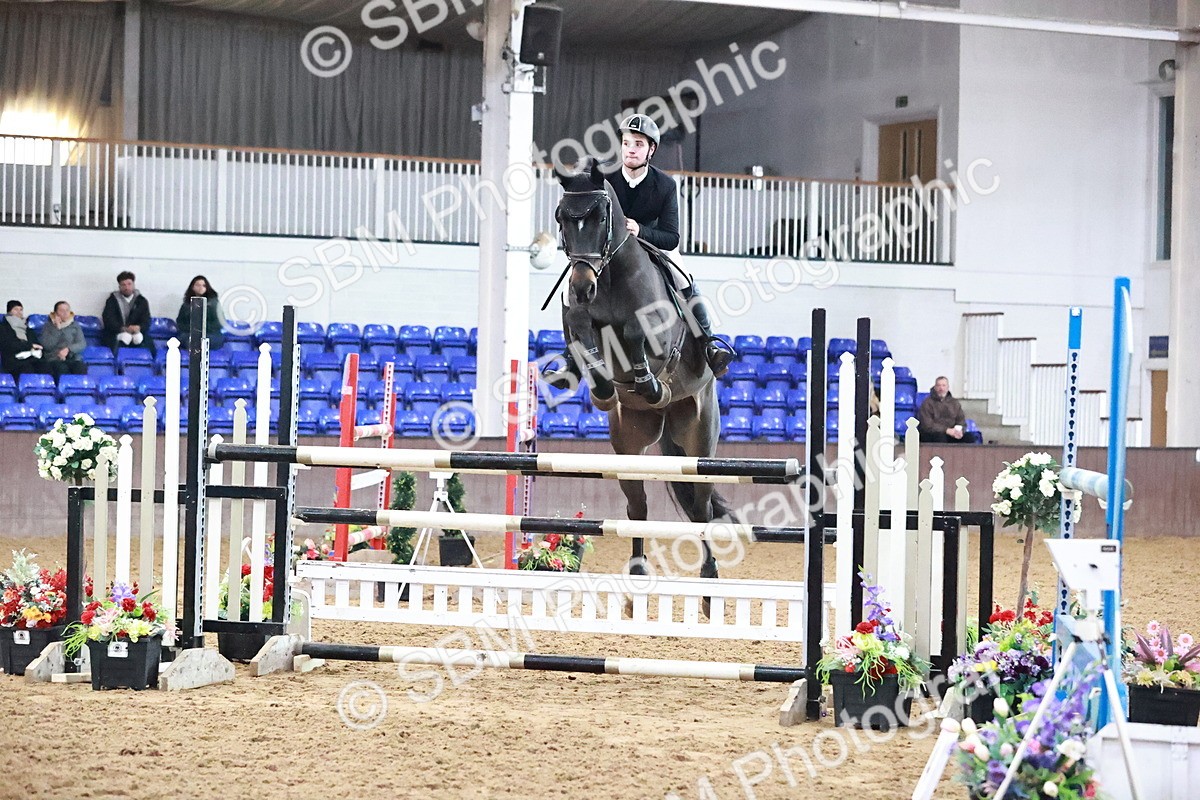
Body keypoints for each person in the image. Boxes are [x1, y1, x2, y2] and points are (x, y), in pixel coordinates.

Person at [607, 113, 734, 377]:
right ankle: (571, 355)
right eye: (627, 142)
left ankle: (709, 344)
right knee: (574, 283)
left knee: (683, 278)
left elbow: (671, 237)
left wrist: (639, 230)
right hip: (612, 252)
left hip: (653, 246)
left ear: (651, 149)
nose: (631, 149)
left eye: (639, 144)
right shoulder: (607, 180)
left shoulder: (665, 184)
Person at [102, 271, 156, 355]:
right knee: (119, 340)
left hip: (137, 333)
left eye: (129, 284)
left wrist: (139, 328)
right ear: (119, 286)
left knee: (147, 342)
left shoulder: (142, 301)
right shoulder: (112, 300)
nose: (126, 287)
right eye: (123, 285)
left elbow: (146, 320)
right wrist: (122, 329)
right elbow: (108, 319)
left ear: (133, 285)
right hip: (116, 333)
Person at [917, 376, 975, 443]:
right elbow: (927, 425)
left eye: (943, 385)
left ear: (948, 387)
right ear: (935, 387)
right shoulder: (927, 403)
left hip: (952, 433)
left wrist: (959, 431)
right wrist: (946, 430)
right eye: (939, 385)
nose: (941, 388)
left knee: (969, 438)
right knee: (940, 437)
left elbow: (961, 421)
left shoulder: (955, 403)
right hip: (934, 434)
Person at [175, 275, 226, 350]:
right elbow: (180, 322)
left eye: (203, 285)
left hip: (211, 334)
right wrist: (192, 329)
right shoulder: (186, 304)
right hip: (190, 334)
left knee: (203, 342)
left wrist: (201, 328)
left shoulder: (214, 304)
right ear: (192, 287)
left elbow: (219, 323)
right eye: (198, 285)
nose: (201, 287)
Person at [38, 301, 87, 377]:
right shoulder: (48, 326)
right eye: (62, 310)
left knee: (80, 368)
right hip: (54, 359)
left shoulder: (75, 325)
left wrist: (68, 349)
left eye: (67, 310)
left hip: (72, 358)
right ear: (55, 313)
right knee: (62, 369)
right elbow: (47, 345)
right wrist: (57, 328)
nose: (65, 313)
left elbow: (81, 343)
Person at [0, 300, 49, 378]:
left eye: (21, 309)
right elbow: (9, 345)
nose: (19, 312)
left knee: (45, 367)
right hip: (13, 360)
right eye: (16, 309)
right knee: (27, 369)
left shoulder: (27, 329)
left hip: (31, 358)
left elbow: (37, 343)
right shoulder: (3, 328)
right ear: (9, 311)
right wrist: (30, 346)